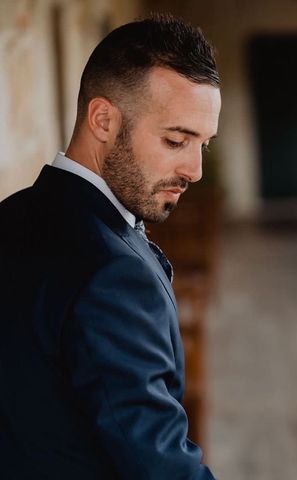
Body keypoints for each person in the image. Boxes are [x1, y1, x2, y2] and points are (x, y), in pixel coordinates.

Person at [0, 14, 220, 479]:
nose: (195, 169)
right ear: (103, 119)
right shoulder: (113, 272)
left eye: (204, 144)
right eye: (176, 140)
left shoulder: (11, 214)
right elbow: (159, 465)